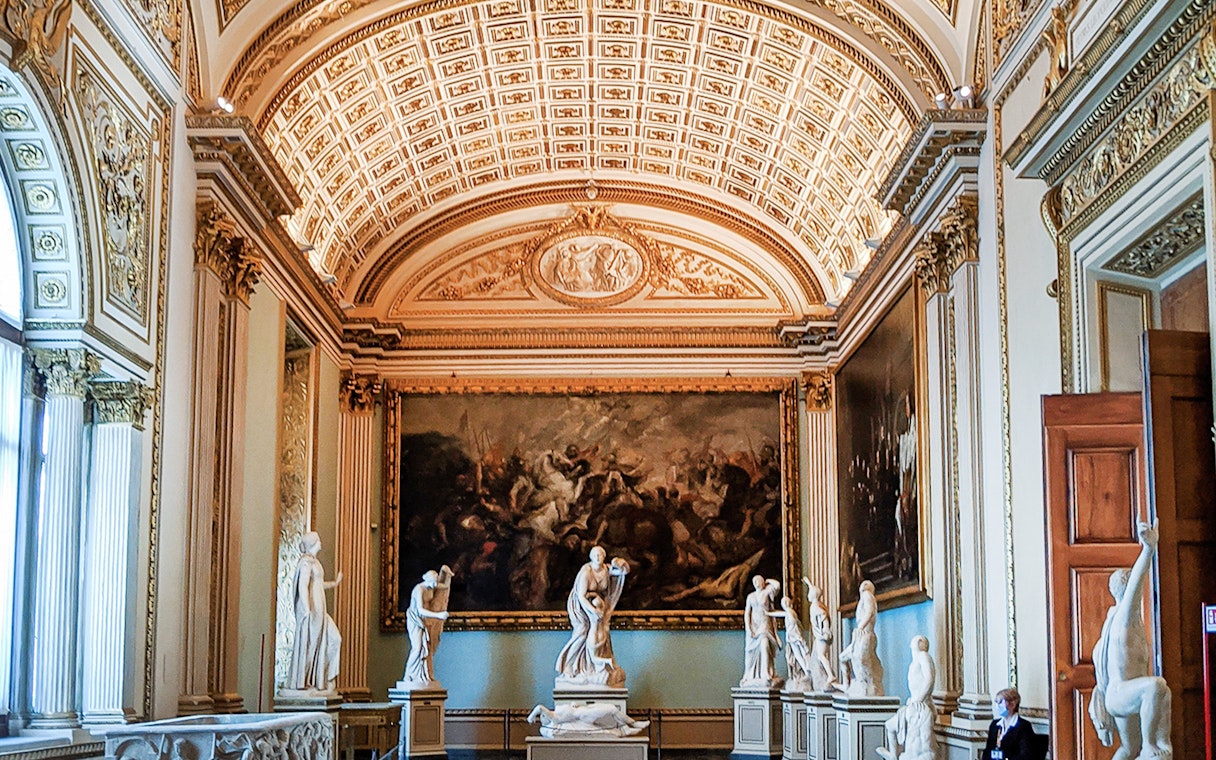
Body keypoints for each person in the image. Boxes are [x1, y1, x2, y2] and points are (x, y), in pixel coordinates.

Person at [1089, 522, 1173, 760]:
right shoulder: (1126, 616)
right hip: (1122, 693)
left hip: (1119, 694)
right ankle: (1150, 745)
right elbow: (1137, 583)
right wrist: (1148, 549)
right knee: (1156, 686)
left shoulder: (1111, 623)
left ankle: (1155, 742)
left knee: (1128, 749)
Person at [555, 545, 630, 687]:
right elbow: (581, 596)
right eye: (595, 555)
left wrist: (621, 563)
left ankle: (595, 667)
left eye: (600, 555)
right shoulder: (586, 572)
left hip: (597, 604)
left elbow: (623, 572)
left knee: (603, 631)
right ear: (590, 557)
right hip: (580, 606)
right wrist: (593, 611)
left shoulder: (606, 570)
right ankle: (568, 666)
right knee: (582, 632)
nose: (597, 557)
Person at [285, 532, 342, 693]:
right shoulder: (305, 563)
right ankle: (304, 681)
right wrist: (306, 608)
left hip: (320, 607)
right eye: (319, 540)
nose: (321, 542)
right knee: (311, 645)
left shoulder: (314, 562)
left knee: (335, 639)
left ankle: (326, 679)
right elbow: (302, 586)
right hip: (313, 608)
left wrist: (334, 584)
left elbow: (318, 584)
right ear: (314, 543)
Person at [877, 636, 936, 760]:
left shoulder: (923, 656)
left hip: (920, 706)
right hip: (913, 704)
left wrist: (919, 699)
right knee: (889, 725)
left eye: (916, 640)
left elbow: (929, 679)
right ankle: (893, 755)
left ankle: (895, 756)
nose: (912, 643)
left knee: (916, 744)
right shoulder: (916, 660)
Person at [402, 565, 454, 689]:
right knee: (418, 647)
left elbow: (444, 586)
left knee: (427, 648)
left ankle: (424, 675)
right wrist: (438, 615)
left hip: (425, 621)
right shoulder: (419, 590)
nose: (435, 585)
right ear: (427, 580)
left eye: (436, 582)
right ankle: (409, 675)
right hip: (415, 620)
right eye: (433, 582)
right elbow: (420, 610)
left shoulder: (432, 585)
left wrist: (446, 574)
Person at [838, 579, 883, 696]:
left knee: (862, 659)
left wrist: (861, 627)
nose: (863, 585)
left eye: (867, 583)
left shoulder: (867, 595)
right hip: (860, 635)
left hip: (866, 634)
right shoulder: (864, 597)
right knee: (844, 657)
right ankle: (847, 685)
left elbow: (869, 612)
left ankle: (869, 685)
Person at [740, 575, 783, 688]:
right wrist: (749, 629)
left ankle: (766, 674)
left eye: (758, 580)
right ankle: (749, 675)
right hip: (754, 627)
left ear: (763, 582)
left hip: (765, 625)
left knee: (764, 645)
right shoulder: (751, 596)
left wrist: (769, 580)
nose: (756, 582)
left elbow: (777, 586)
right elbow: (747, 613)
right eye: (754, 580)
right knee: (750, 653)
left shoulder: (767, 593)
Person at [527, 702, 650, 737]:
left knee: (612, 709)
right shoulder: (556, 720)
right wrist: (532, 716)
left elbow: (539, 708)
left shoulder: (556, 714)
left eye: (541, 718)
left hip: (585, 711)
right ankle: (630, 726)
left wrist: (531, 716)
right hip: (584, 715)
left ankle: (630, 725)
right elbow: (539, 708)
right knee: (611, 709)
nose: (542, 720)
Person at [982, 688, 1038, 760]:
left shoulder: (1023, 726)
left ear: (1013, 704)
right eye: (996, 702)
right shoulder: (994, 725)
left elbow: (1025, 755)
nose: (997, 706)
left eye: (1001, 702)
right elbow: (988, 751)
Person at [803, 578, 837, 691]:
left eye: (809, 593)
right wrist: (808, 583)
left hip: (821, 636)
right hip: (821, 636)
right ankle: (823, 676)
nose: (807, 595)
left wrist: (823, 631)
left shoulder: (815, 606)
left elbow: (822, 614)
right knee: (817, 657)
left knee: (821, 656)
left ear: (812, 596)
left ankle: (830, 675)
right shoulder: (819, 604)